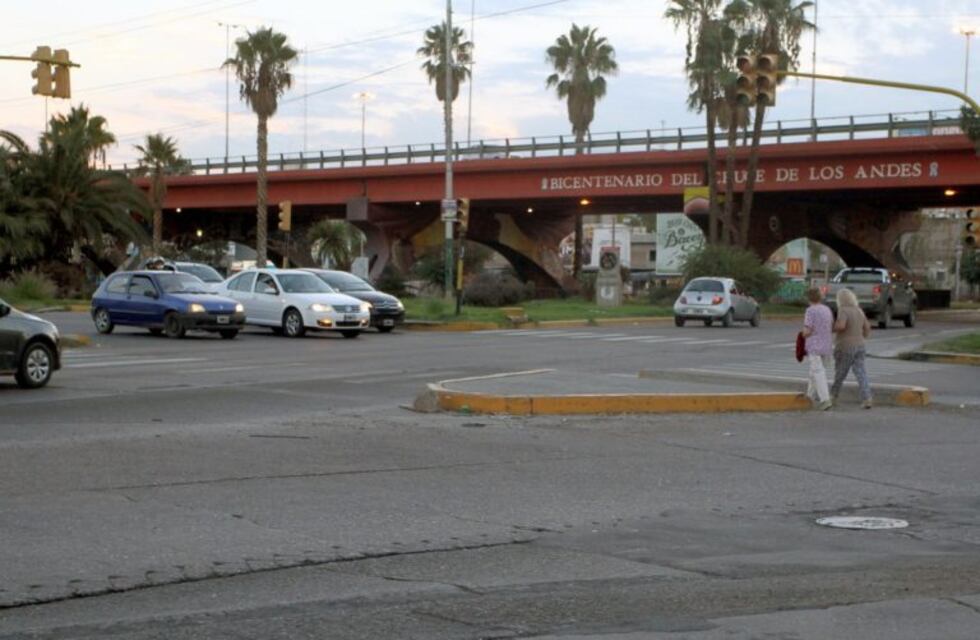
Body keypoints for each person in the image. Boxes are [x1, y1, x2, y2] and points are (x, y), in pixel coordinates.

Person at [831, 288, 873, 409]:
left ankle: (833, 396)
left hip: (845, 346)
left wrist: (832, 328)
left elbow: (841, 326)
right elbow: (867, 327)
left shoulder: (843, 310)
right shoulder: (859, 310)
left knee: (840, 372)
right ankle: (867, 397)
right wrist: (862, 337)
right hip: (860, 345)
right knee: (861, 372)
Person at [802, 287, 834, 410]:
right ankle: (810, 395)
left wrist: (803, 334)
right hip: (826, 344)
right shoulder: (827, 309)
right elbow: (830, 325)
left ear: (808, 298)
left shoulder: (810, 311)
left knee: (817, 371)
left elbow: (807, 330)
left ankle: (825, 399)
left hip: (814, 345)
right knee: (813, 372)